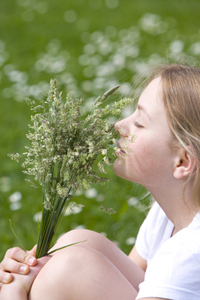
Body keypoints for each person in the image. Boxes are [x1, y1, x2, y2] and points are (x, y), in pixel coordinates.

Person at [1, 63, 200, 300]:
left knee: (66, 271)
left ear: (182, 162)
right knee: (78, 242)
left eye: (139, 123)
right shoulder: (165, 217)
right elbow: (123, 283)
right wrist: (27, 272)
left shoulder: (188, 252)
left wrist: (12, 291)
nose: (119, 125)